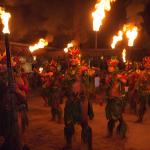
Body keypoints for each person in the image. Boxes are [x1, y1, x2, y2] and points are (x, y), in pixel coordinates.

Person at [63, 72, 92, 150]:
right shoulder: (72, 83)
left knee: (84, 124)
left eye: (78, 75)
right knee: (69, 125)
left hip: (80, 104)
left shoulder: (84, 84)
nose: (76, 76)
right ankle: (69, 144)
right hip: (74, 105)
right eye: (76, 74)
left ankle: (87, 145)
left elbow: (89, 92)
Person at [105, 58, 127, 138]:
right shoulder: (107, 76)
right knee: (111, 117)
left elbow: (125, 83)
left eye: (111, 66)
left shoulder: (118, 75)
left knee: (118, 117)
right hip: (110, 99)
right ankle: (110, 132)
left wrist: (121, 78)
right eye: (108, 66)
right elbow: (101, 84)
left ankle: (122, 131)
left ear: (114, 68)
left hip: (117, 99)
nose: (109, 68)